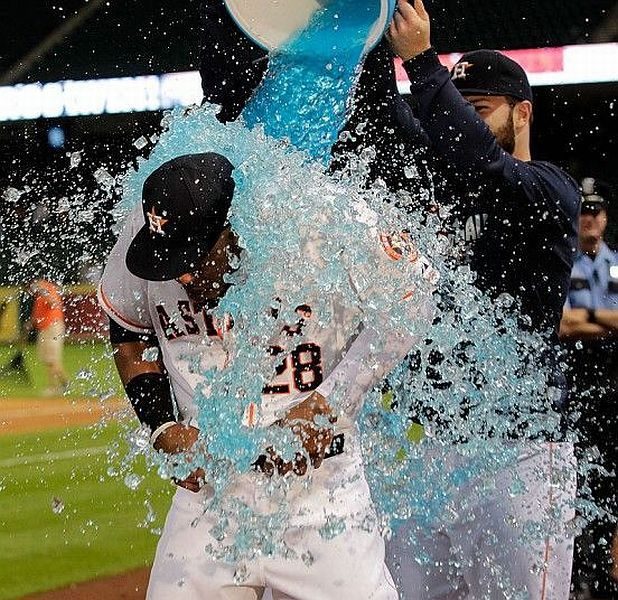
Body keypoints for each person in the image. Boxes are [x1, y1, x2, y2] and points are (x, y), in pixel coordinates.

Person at [98, 152, 436, 599]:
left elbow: (416, 292)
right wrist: (160, 425)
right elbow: (128, 329)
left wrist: (333, 401)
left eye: (194, 258)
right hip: (211, 496)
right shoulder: (148, 230)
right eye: (169, 260)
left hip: (319, 495)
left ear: (234, 228)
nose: (181, 275)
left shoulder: (319, 217)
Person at [384, 1, 581, 598]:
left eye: (481, 108)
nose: (465, 118)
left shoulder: (550, 190)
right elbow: (388, 119)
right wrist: (369, 45)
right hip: (428, 449)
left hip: (520, 454)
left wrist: (425, 67)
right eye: (459, 106)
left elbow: (483, 163)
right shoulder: (441, 188)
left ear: (523, 113)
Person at [559, 179, 618, 599]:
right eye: (583, 211)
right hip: (574, 385)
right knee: (574, 484)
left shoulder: (616, 263)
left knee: (609, 484)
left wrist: (586, 317)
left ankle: (602, 577)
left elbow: (576, 320)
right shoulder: (563, 260)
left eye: (595, 211)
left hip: (611, 389)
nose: (589, 219)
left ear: (606, 218)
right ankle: (577, 576)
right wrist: (607, 319)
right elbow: (562, 323)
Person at [23, 279, 68, 396]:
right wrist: (30, 323)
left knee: (51, 359)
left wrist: (42, 291)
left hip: (52, 327)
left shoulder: (47, 289)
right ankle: (64, 383)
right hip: (44, 328)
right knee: (47, 359)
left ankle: (54, 387)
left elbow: (53, 303)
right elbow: (38, 312)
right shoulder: (39, 295)